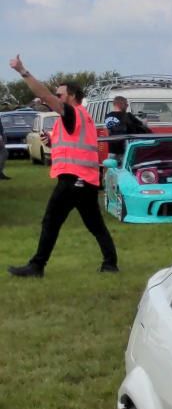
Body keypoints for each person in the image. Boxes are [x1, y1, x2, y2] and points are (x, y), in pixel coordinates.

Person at [7, 56, 118, 276]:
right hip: (85, 179)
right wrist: (51, 141)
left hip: (74, 179)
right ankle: (110, 264)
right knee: (95, 225)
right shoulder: (79, 116)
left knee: (51, 221)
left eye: (60, 95)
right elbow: (73, 144)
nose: (56, 98)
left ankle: (37, 266)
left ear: (72, 96)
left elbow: (44, 95)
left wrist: (23, 71)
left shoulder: (72, 113)